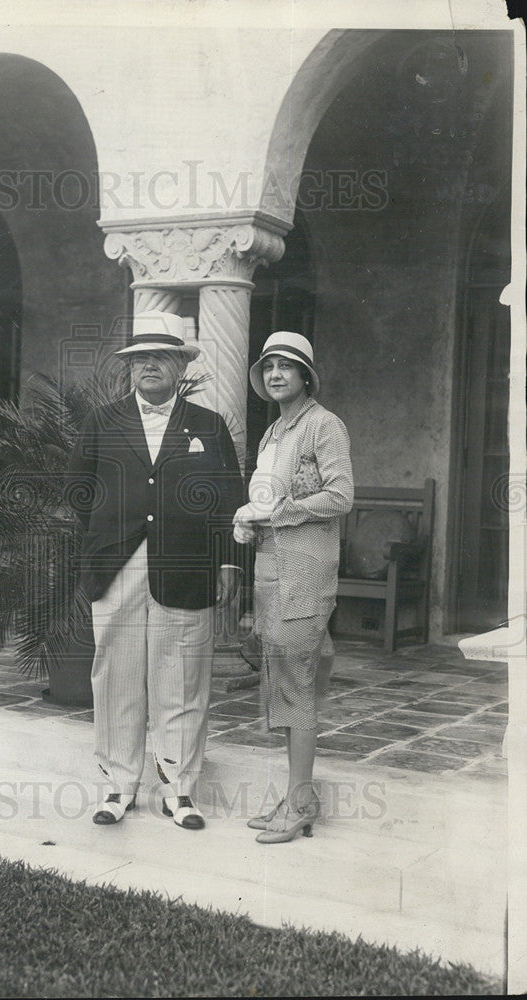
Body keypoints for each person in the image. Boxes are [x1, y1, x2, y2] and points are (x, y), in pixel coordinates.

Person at [66, 310, 244, 830]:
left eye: (160, 357)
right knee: (117, 675)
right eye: (140, 358)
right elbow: (78, 489)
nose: (149, 366)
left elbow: (228, 499)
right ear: (129, 368)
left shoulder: (207, 426)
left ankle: (179, 792)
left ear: (179, 366)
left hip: (186, 568)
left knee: (182, 677)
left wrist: (229, 561)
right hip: (117, 565)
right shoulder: (103, 420)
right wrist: (106, 534)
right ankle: (118, 786)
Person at [232, 331, 353, 844]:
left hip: (305, 572)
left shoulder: (324, 426)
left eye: (287, 366)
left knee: (298, 681)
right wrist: (251, 522)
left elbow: (342, 495)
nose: (277, 374)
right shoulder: (272, 434)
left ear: (306, 375)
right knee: (281, 679)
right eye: (269, 367)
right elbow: (267, 502)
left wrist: (283, 513)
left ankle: (301, 803)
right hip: (270, 570)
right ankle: (295, 795)